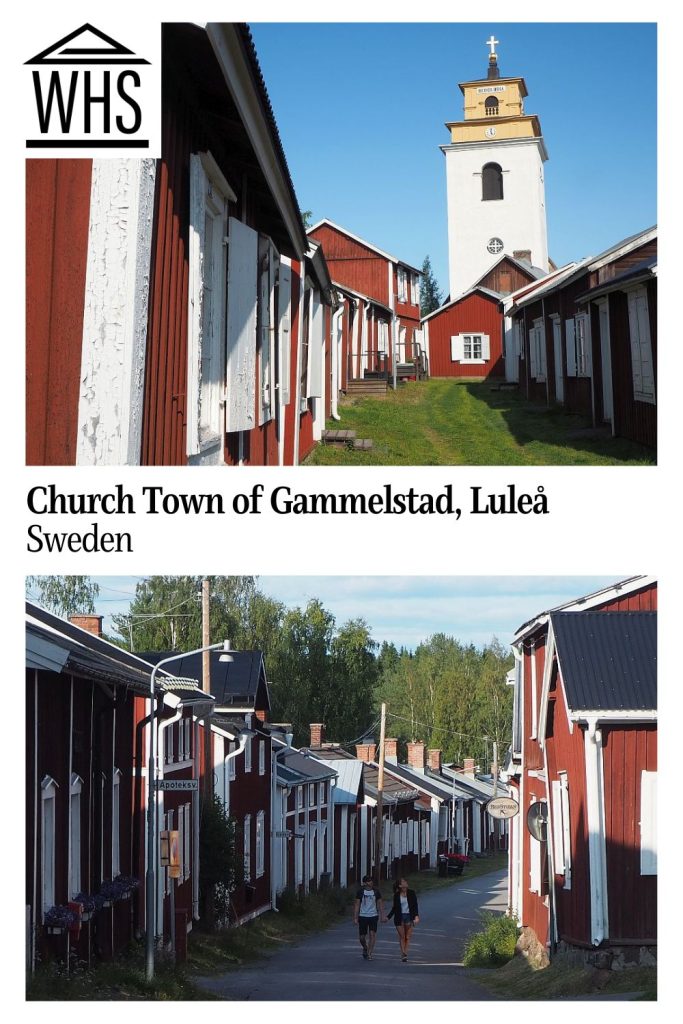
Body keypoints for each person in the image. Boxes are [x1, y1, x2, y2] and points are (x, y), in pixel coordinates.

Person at [353, 875, 386, 960]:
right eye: (368, 881)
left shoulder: (376, 892)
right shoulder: (360, 892)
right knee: (362, 937)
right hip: (363, 916)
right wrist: (355, 917)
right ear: (364, 883)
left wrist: (383, 915)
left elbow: (380, 903)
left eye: (371, 881)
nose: (370, 882)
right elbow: (357, 905)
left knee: (372, 934)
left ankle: (369, 953)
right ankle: (365, 947)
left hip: (373, 915)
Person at [387, 877, 419, 961]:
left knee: (407, 937)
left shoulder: (412, 893)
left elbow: (415, 906)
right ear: (400, 885)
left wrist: (416, 916)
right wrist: (388, 917)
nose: (406, 882)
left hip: (409, 916)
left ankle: (406, 952)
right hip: (399, 917)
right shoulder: (396, 895)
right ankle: (403, 954)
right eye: (404, 881)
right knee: (402, 936)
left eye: (405, 881)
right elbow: (394, 908)